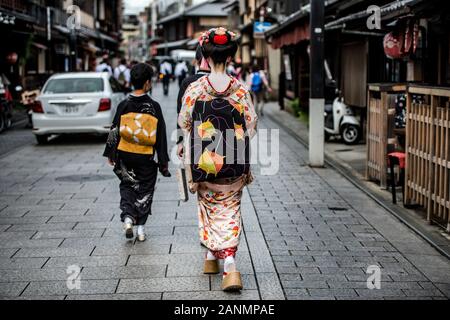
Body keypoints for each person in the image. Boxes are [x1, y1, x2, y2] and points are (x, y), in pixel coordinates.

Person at [178, 27, 258, 291]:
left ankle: (223, 262)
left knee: (209, 210)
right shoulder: (240, 90)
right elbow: (251, 126)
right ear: (231, 57)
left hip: (204, 163)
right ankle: (223, 260)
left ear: (206, 56)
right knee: (231, 212)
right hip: (233, 164)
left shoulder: (195, 89)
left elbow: (185, 123)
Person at [103, 63, 171, 242]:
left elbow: (115, 129)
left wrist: (111, 152)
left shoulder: (124, 105)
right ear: (148, 83)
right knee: (146, 189)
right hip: (146, 156)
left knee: (127, 185)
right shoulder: (154, 106)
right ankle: (140, 229)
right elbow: (161, 136)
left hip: (125, 154)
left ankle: (127, 217)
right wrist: (163, 161)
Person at [176, 45, 211, 151]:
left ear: (197, 60)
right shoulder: (228, 82)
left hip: (193, 138)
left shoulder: (188, 82)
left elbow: (181, 114)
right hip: (220, 138)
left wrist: (180, 141)